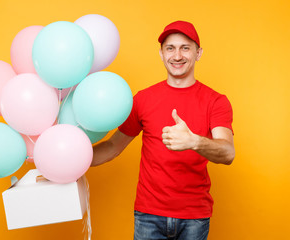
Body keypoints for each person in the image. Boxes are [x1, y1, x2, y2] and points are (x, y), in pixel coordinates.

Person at [91, 20, 235, 240]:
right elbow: (112, 146)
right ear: (161, 54)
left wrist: (194, 141)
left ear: (198, 53)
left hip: (194, 217)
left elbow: (228, 153)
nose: (177, 56)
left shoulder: (216, 101)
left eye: (185, 48)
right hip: (148, 216)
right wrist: (74, 161)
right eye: (170, 48)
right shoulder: (143, 99)